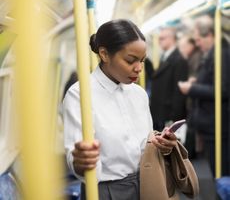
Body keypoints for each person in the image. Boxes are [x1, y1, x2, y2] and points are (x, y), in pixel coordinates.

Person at [62, 19, 178, 200]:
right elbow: (76, 156)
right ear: (104, 54)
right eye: (130, 60)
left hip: (147, 183)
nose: (139, 68)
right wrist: (80, 161)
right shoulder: (80, 94)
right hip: (105, 190)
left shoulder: (139, 94)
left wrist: (162, 146)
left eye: (142, 60)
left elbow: (144, 145)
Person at [178, 15, 230, 176]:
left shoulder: (221, 54)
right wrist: (196, 83)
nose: (197, 44)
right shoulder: (213, 53)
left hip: (219, 123)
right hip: (211, 122)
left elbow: (222, 90)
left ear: (209, 35)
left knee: (221, 171)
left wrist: (192, 89)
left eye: (199, 39)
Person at [150, 27, 188, 131]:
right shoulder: (166, 57)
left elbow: (178, 93)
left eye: (162, 38)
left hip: (168, 115)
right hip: (160, 112)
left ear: (171, 39)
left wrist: (174, 119)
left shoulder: (179, 60)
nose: (159, 41)